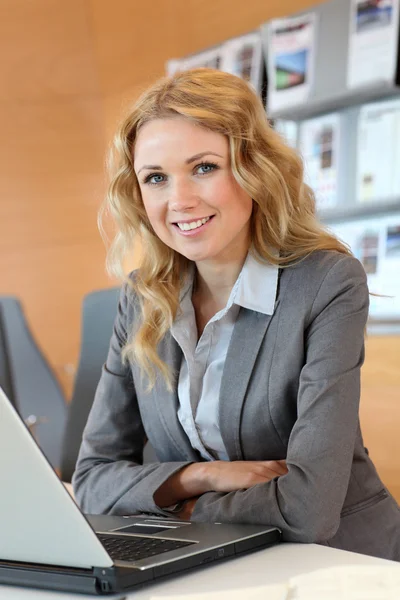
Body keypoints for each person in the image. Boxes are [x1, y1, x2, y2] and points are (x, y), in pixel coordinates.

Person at [72, 68, 400, 561]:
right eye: (156, 178)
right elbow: (92, 480)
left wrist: (178, 506)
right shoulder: (144, 297)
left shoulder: (327, 283)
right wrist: (198, 476)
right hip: (213, 563)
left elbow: (308, 507)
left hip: (338, 561)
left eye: (203, 167)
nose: (179, 200)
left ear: (254, 168)